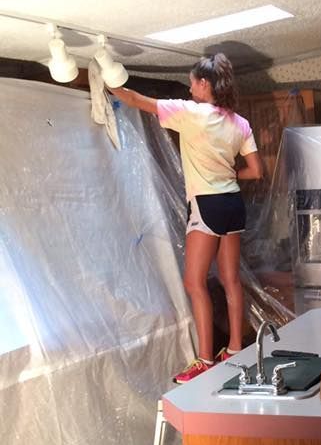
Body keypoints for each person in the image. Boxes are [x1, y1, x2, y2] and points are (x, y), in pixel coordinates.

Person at [108, 53, 262, 382]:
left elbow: (134, 99)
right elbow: (256, 170)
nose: (190, 88)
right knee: (231, 279)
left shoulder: (189, 112)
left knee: (194, 283)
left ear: (205, 84)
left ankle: (205, 361)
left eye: (193, 82)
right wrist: (227, 171)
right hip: (233, 204)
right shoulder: (239, 122)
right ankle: (235, 348)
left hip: (206, 205)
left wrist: (106, 79)